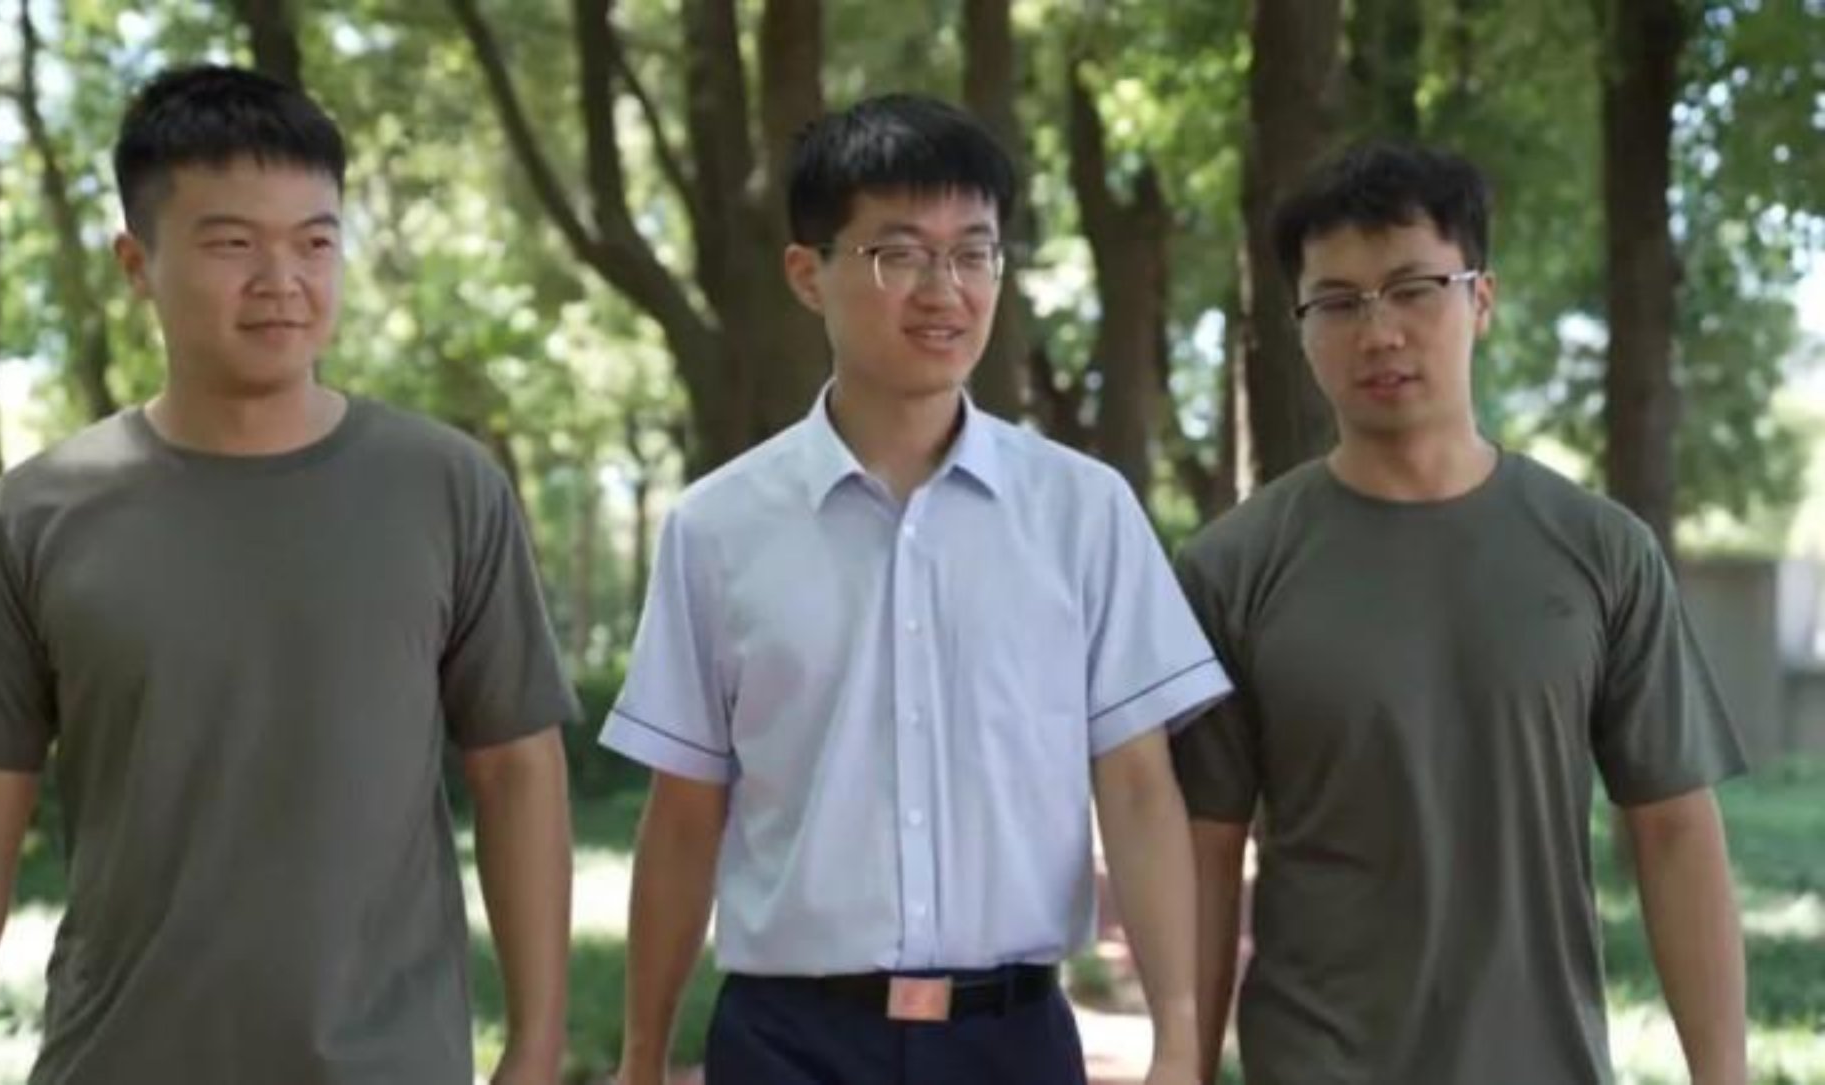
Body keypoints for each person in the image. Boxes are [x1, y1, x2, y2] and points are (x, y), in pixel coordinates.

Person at [0, 64, 577, 1085]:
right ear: (137, 262)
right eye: (232, 244)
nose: (282, 279)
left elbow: (517, 767)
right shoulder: (37, 514)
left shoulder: (445, 488)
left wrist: (535, 1048)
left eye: (314, 241)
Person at [602, 93, 1230, 1085]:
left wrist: (1180, 1041)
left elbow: (1138, 785)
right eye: (898, 254)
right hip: (786, 1044)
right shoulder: (716, 529)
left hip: (1011, 1042)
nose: (945, 289)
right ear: (806, 274)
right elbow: (683, 813)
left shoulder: (1082, 511)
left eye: (973, 253)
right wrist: (642, 1058)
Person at [1173, 141, 1749, 1085]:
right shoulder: (1230, 569)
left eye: (1414, 289)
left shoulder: (1603, 551)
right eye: (1337, 302)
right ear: (1299, 327)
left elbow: (1676, 829)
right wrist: (1182, 1066)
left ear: (1481, 300)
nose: (1379, 332)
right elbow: (1204, 852)